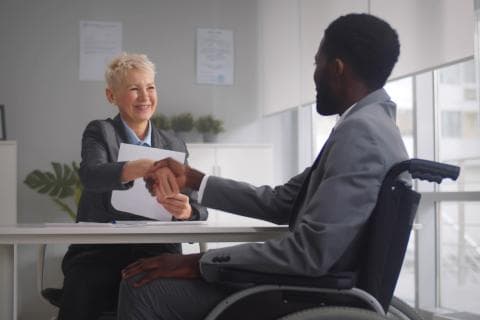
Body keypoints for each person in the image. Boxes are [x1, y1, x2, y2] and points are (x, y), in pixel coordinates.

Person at [117, 13, 408, 320]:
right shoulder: (373, 126)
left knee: (141, 287)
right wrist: (191, 178)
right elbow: (281, 201)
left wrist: (195, 263)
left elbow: (309, 252)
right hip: (309, 286)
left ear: (337, 69)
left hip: (307, 295)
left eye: (316, 63)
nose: (314, 75)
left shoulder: (360, 134)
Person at [57, 53, 207, 320]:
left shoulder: (173, 144)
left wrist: (186, 213)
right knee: (84, 283)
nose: (145, 97)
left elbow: (198, 209)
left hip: (157, 254)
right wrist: (134, 168)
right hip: (99, 253)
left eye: (150, 87)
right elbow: (91, 175)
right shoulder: (100, 132)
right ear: (111, 96)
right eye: (134, 89)